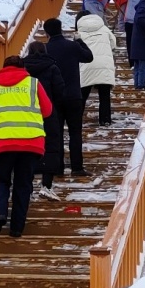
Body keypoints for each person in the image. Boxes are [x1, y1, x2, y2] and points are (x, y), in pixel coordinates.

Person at [0, 55, 53, 236]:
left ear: (3, 67)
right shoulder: (33, 84)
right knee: (23, 183)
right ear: (23, 67)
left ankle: (0, 213)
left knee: (0, 180)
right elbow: (47, 110)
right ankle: (17, 228)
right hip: (30, 142)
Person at [42, 18, 94, 176]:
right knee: (75, 132)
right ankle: (77, 167)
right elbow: (88, 57)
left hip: (54, 97)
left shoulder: (46, 49)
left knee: (56, 133)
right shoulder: (72, 46)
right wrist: (80, 41)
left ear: (46, 33)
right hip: (74, 95)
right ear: (61, 29)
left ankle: (58, 168)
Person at [22, 41, 65, 201]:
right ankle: (46, 185)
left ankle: (27, 186)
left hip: (26, 113)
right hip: (48, 112)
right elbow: (60, 91)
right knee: (51, 146)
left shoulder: (23, 69)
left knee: (28, 147)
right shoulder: (52, 67)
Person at [75, 10, 117, 126]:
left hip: (87, 65)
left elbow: (76, 50)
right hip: (104, 64)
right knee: (104, 95)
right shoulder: (104, 28)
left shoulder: (79, 33)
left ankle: (76, 120)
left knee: (82, 95)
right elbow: (113, 43)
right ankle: (105, 120)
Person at [110, 0, 145, 67]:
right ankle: (142, 62)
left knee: (130, 43)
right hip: (142, 23)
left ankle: (132, 63)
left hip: (130, 22)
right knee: (142, 44)